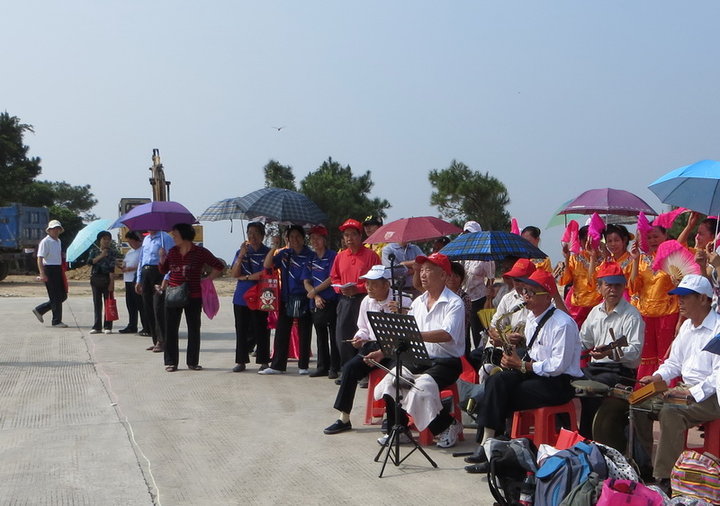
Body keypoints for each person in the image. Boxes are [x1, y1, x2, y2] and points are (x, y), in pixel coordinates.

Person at [466, 269, 583, 472]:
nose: (525, 297)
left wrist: (522, 365)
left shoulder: (562, 324)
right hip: (536, 373)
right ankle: (488, 445)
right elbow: (536, 350)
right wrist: (521, 342)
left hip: (558, 383)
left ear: (547, 297)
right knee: (497, 381)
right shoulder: (531, 318)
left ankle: (495, 451)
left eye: (530, 293)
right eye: (525, 292)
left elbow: (557, 366)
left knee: (504, 394)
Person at [373, 252, 466, 448]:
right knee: (392, 379)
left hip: (446, 361)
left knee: (420, 389)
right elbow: (405, 336)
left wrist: (414, 335)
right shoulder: (418, 302)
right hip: (420, 358)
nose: (423, 274)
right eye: (422, 270)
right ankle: (399, 429)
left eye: (429, 270)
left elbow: (446, 334)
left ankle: (448, 425)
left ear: (443, 275)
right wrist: (382, 352)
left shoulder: (454, 303)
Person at [638, 274, 720, 492]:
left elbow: (717, 377)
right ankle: (642, 464)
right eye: (678, 296)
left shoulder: (718, 329)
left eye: (685, 296)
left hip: (711, 396)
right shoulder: (685, 328)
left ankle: (665, 479)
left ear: (703, 299)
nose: (680, 301)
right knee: (637, 402)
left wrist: (691, 394)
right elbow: (673, 363)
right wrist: (657, 377)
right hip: (685, 389)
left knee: (671, 412)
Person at [323, 265, 411, 435]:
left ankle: (391, 418)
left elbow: (409, 331)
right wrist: (359, 337)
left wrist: (401, 312)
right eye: (367, 284)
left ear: (386, 285)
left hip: (395, 347)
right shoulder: (366, 301)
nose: (368, 288)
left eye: (373, 284)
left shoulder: (403, 300)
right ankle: (344, 417)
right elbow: (363, 327)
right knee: (349, 368)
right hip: (372, 344)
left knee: (395, 374)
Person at [578, 262, 644, 438]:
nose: (613, 289)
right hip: (595, 369)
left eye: (618, 285)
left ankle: (588, 438)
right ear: (599, 287)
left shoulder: (632, 315)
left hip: (621, 372)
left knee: (591, 390)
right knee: (563, 382)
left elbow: (635, 351)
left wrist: (609, 353)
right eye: (609, 285)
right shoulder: (595, 312)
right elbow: (583, 342)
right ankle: (573, 434)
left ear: (623, 287)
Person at [158, 223, 224, 372]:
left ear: (184, 235)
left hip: (194, 295)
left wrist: (208, 279)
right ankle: (171, 362)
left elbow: (218, 265)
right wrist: (162, 258)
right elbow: (164, 269)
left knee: (194, 329)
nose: (173, 237)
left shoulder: (200, 252)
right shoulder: (172, 252)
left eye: (175, 234)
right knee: (171, 329)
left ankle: (192, 362)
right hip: (173, 295)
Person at [259, 225, 313, 375]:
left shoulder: (310, 255)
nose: (295, 240)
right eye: (291, 237)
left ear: (303, 238)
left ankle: (303, 366)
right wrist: (274, 247)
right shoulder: (284, 254)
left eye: (298, 236)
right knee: (282, 332)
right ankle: (277, 366)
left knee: (304, 332)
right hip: (286, 297)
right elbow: (267, 265)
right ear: (287, 239)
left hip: (305, 297)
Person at [628, 224, 680, 379]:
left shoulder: (673, 257)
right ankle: (645, 390)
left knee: (666, 355)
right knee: (647, 356)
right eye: (649, 237)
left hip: (668, 314)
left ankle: (667, 389)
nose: (652, 240)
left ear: (665, 235)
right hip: (645, 315)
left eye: (656, 236)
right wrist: (636, 260)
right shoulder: (642, 259)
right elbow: (633, 287)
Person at [330, 219, 381, 366]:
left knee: (364, 334)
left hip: (364, 299)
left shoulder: (371, 256)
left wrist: (358, 288)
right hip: (345, 300)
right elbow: (334, 277)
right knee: (343, 335)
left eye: (353, 234)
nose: (349, 238)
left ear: (360, 236)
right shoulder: (340, 256)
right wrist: (340, 288)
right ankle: (346, 369)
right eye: (346, 235)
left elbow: (377, 279)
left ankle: (364, 370)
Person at [230, 222, 271, 372]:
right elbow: (234, 274)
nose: (252, 237)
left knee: (262, 328)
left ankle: (264, 360)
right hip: (242, 296)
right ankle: (241, 360)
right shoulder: (242, 252)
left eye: (255, 233)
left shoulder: (267, 252)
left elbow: (264, 273)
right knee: (241, 329)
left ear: (262, 235)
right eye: (250, 233)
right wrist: (241, 255)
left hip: (262, 295)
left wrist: (246, 277)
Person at [302, 225, 340, 379]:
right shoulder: (310, 258)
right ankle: (322, 366)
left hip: (331, 300)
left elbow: (332, 278)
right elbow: (306, 280)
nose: (315, 241)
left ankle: (334, 367)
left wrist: (316, 291)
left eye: (318, 238)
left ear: (324, 239)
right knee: (320, 335)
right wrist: (315, 296)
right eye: (312, 239)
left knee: (334, 335)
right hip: (316, 303)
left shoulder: (333, 256)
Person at [136, 229, 173, 352]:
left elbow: (171, 259)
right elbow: (141, 259)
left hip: (159, 272)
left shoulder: (165, 237)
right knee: (148, 307)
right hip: (146, 272)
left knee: (158, 307)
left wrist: (167, 278)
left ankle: (162, 340)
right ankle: (155, 339)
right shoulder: (146, 239)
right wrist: (138, 279)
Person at [460, 221, 495, 349]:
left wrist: (489, 293)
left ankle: (479, 357)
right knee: (463, 333)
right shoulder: (462, 253)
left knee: (477, 331)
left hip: (478, 298)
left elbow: (491, 278)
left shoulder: (485, 255)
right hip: (464, 296)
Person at [558, 225, 602, 328]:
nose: (590, 244)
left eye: (593, 240)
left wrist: (593, 258)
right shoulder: (575, 258)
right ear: (580, 241)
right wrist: (567, 258)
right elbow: (565, 280)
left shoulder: (605, 259)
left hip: (597, 305)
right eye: (586, 240)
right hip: (577, 306)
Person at [32, 220, 68, 328]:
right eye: (54, 228)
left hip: (57, 268)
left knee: (62, 295)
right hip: (49, 269)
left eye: (58, 228)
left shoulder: (58, 241)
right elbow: (40, 258)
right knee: (55, 296)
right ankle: (56, 321)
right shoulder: (45, 241)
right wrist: (42, 273)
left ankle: (40, 309)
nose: (56, 231)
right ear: (49, 230)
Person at [88, 231, 118, 334]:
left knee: (108, 302)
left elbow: (112, 268)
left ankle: (108, 326)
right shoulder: (93, 251)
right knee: (97, 303)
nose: (106, 241)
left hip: (107, 278)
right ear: (99, 240)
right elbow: (90, 262)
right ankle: (97, 326)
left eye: (108, 239)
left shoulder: (112, 252)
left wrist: (111, 283)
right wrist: (101, 255)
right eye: (104, 239)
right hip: (96, 278)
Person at [119, 231, 147, 335]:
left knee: (141, 305)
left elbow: (142, 265)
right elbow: (125, 262)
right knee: (130, 305)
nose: (130, 244)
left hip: (137, 280)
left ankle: (146, 326)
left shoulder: (142, 251)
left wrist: (131, 268)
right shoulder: (129, 252)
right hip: (128, 280)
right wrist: (123, 267)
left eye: (131, 241)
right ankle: (132, 325)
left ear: (137, 240)